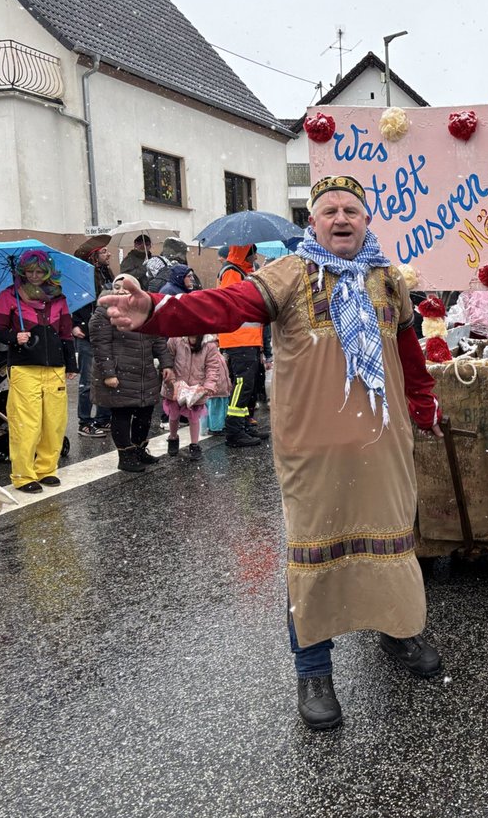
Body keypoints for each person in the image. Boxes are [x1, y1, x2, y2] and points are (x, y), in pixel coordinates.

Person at [102, 174, 445, 731]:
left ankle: (398, 631)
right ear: (313, 222)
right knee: (313, 556)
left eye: (351, 210)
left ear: (366, 220)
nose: (341, 218)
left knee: (391, 541)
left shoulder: (389, 280)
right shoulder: (289, 273)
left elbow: (408, 350)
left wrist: (423, 403)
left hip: (381, 443)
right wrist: (159, 313)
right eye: (329, 210)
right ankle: (313, 671)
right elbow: (225, 306)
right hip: (312, 448)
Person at [0, 251, 78, 493]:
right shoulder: (9, 296)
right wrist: (14, 337)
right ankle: (23, 474)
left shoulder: (58, 297)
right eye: (29, 271)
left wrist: (71, 365)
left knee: (54, 422)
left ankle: (46, 469)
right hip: (24, 367)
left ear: (48, 272)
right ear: (22, 272)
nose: (35, 276)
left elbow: (66, 333)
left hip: (55, 368)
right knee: (26, 423)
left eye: (39, 271)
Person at [89, 300, 173, 473]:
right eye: (118, 287)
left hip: (144, 371)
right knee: (122, 413)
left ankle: (139, 450)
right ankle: (125, 456)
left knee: (145, 412)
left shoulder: (146, 309)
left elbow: (157, 339)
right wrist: (109, 373)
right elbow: (101, 345)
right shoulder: (105, 312)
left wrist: (166, 363)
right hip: (120, 372)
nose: (122, 291)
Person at [216, 244, 267, 448]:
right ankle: (234, 430)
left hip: (247, 339)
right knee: (242, 385)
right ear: (245, 254)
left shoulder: (242, 272)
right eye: (252, 253)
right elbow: (232, 302)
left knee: (248, 386)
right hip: (239, 339)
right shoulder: (232, 272)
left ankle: (243, 425)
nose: (255, 257)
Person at [161, 334, 228, 461]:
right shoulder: (175, 340)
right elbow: (168, 361)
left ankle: (194, 444)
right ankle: (173, 437)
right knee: (174, 415)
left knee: (194, 417)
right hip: (175, 386)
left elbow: (212, 367)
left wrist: (208, 385)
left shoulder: (209, 344)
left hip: (197, 388)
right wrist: (172, 382)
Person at [72, 236, 115, 438]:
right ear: (94, 256)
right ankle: (85, 422)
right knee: (88, 381)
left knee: (107, 377)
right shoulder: (82, 278)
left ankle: (103, 418)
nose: (109, 254)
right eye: (104, 251)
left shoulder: (107, 274)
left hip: (106, 333)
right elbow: (71, 303)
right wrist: (73, 325)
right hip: (87, 334)